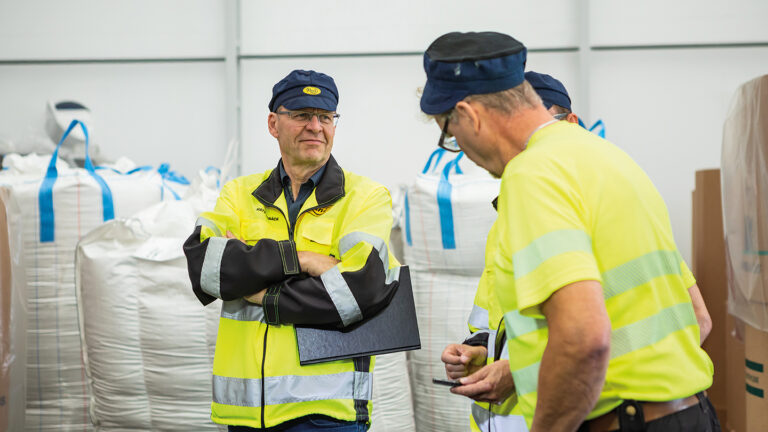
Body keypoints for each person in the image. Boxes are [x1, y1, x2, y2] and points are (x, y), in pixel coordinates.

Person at [421, 31, 717, 432]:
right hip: (689, 414)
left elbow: (583, 339)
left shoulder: (531, 174)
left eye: (451, 135)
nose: (465, 154)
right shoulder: (608, 159)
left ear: (469, 115)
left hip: (623, 422)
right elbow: (697, 317)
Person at [183, 69, 401, 432]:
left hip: (328, 415)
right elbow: (206, 269)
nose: (315, 126)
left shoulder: (366, 198)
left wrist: (261, 291)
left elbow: (358, 293)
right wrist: (300, 259)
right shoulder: (239, 195)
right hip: (246, 416)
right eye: (301, 115)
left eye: (326, 117)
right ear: (274, 123)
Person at [440, 70, 580, 432]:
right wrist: (478, 352)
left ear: (571, 124)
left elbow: (597, 331)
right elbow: (500, 323)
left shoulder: (582, 200)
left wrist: (519, 371)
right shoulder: (506, 216)